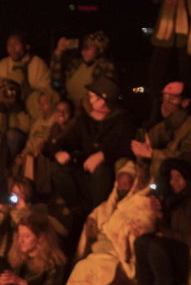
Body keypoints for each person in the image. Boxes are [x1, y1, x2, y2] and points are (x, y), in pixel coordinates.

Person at [47, 159, 159, 285]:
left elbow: (141, 228)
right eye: (120, 182)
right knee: (89, 270)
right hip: (100, 256)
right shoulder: (107, 206)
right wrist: (90, 226)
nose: (122, 186)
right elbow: (94, 223)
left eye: (127, 182)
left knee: (100, 276)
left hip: (123, 259)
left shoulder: (144, 204)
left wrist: (114, 232)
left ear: (135, 183)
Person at [132, 157, 191, 285]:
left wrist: (166, 235)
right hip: (174, 247)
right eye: (171, 177)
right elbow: (166, 229)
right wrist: (160, 215)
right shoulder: (175, 198)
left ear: (189, 177)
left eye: (178, 177)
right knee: (142, 241)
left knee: (156, 246)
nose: (173, 181)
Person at [50, 76, 136, 215]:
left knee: (101, 170)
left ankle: (98, 214)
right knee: (58, 167)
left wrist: (103, 155)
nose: (89, 100)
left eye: (92, 97)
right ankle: (75, 209)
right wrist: (60, 151)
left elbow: (128, 149)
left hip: (107, 177)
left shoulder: (123, 121)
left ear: (103, 100)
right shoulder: (85, 119)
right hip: (85, 171)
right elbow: (67, 140)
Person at [132, 80, 191, 182]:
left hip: (188, 179)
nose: (167, 102)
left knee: (160, 163)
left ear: (185, 102)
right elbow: (148, 142)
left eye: (172, 98)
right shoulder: (165, 124)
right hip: (161, 178)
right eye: (165, 98)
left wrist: (154, 154)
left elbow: (189, 157)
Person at [0, 31, 51, 95]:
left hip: (28, 105)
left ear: (26, 46)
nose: (12, 48)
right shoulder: (4, 64)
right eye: (9, 45)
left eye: (16, 44)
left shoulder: (37, 64)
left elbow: (47, 90)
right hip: (5, 104)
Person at [62, 31, 117, 109]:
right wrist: (58, 52)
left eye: (88, 48)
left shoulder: (106, 66)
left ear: (99, 49)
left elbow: (105, 97)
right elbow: (57, 81)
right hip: (70, 110)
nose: (83, 51)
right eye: (83, 48)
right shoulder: (77, 64)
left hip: (90, 112)